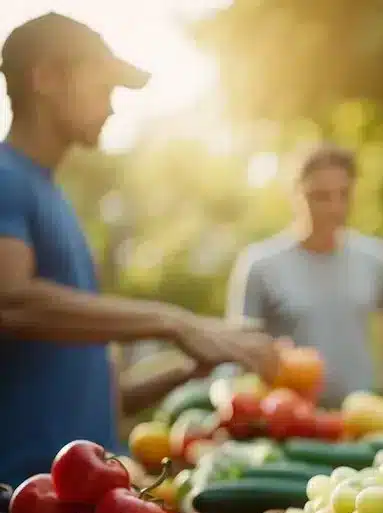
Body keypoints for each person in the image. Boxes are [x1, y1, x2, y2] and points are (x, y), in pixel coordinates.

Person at [0, 13, 278, 486]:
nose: (110, 108)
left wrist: (192, 362)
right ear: (44, 77)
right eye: (102, 87)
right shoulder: (6, 179)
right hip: (23, 503)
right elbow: (9, 301)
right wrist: (173, 321)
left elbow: (102, 392)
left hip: (81, 501)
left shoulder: (54, 199)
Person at [226, 144, 383, 408]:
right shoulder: (259, 264)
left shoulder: (378, 258)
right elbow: (240, 353)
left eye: (344, 195)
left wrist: (382, 388)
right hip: (287, 419)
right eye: (321, 196)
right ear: (296, 194)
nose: (335, 207)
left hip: (359, 418)